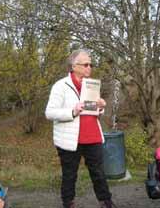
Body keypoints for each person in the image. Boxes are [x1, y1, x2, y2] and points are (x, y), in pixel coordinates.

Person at [45, 49, 115, 208]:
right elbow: (49, 113)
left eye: (91, 64)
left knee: (99, 174)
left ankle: (106, 202)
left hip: (93, 136)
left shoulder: (92, 85)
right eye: (85, 64)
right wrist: (72, 111)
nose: (89, 67)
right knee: (69, 176)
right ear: (73, 66)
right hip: (70, 140)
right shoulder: (60, 86)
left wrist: (101, 107)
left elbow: (92, 110)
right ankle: (68, 203)